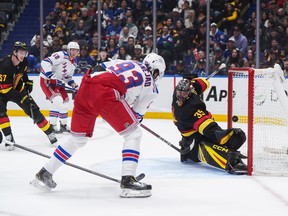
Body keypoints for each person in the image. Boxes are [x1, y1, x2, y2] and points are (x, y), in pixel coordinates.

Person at [30, 53, 166, 198]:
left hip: (87, 84)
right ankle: (128, 180)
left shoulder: (129, 61)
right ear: (156, 72)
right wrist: (130, 117)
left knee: (77, 139)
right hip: (106, 90)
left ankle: (45, 173)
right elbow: (136, 116)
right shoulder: (151, 87)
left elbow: (102, 67)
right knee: (133, 134)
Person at [171, 77, 247, 175]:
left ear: (190, 92)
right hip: (193, 141)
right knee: (212, 141)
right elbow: (205, 127)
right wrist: (218, 134)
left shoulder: (180, 91)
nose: (180, 96)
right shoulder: (186, 110)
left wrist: (193, 79)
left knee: (216, 137)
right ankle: (230, 161)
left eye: (183, 93)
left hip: (193, 135)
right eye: (179, 93)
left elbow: (203, 83)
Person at [0, 41, 57, 150]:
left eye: (24, 53)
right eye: (21, 52)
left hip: (16, 88)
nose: (23, 55)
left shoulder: (24, 61)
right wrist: (22, 98)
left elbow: (23, 73)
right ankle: (8, 136)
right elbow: (6, 90)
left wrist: (27, 82)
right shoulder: (5, 65)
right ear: (14, 52)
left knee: (33, 108)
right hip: (2, 90)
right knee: (1, 111)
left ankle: (50, 133)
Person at [40, 41, 80, 134]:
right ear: (68, 50)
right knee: (58, 101)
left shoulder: (74, 64)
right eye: (72, 50)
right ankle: (53, 126)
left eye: (76, 50)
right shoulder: (61, 55)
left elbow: (67, 78)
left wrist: (74, 85)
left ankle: (63, 125)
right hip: (47, 82)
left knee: (65, 103)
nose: (74, 52)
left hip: (58, 83)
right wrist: (51, 76)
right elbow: (45, 62)